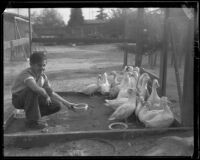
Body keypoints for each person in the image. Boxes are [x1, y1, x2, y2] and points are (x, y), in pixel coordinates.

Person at [11, 51, 75, 130]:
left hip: (32, 99)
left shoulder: (43, 76)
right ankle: (32, 122)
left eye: (44, 65)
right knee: (32, 90)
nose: (42, 68)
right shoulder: (26, 74)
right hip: (18, 100)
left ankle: (32, 116)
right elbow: (35, 88)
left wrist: (68, 104)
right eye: (39, 65)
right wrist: (46, 95)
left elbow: (51, 92)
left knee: (56, 105)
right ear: (31, 65)